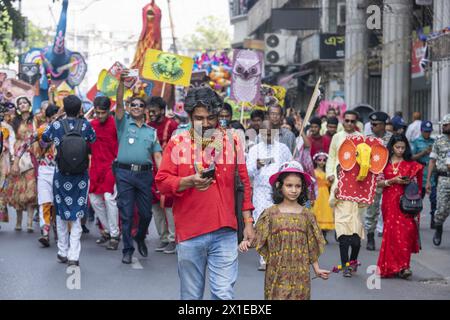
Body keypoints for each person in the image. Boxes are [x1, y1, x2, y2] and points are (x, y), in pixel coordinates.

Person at [155, 86, 255, 300]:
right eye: (200, 118)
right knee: (191, 297)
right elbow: (162, 182)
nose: (207, 123)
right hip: (190, 233)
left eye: (211, 117)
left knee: (223, 295)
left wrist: (248, 222)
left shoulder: (233, 140)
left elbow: (244, 182)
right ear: (190, 116)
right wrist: (187, 181)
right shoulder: (177, 143)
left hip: (226, 231)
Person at [241, 161, 329, 300]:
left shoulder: (307, 215)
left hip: (301, 277)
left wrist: (316, 269)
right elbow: (258, 238)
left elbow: (311, 245)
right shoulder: (270, 214)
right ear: (279, 186)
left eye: (298, 186)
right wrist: (246, 243)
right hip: (276, 275)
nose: (294, 190)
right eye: (289, 185)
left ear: (302, 188)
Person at [41, 95, 96, 266]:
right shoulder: (86, 125)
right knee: (77, 213)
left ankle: (62, 251)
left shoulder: (56, 125)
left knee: (61, 213)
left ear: (63, 108)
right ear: (80, 109)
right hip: (80, 176)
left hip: (61, 174)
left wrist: (57, 117)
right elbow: (92, 140)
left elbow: (44, 138)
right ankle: (74, 255)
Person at [115, 72, 163, 264]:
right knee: (126, 214)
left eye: (140, 105)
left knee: (146, 214)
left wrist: (163, 177)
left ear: (145, 110)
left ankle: (140, 236)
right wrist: (121, 83)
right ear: (129, 107)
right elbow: (118, 103)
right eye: (132, 105)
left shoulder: (152, 132)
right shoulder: (123, 123)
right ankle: (127, 249)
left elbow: (158, 155)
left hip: (145, 176)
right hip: (124, 173)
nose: (136, 107)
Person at [246, 121, 292, 270]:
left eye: (270, 131)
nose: (267, 135)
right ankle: (264, 258)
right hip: (261, 191)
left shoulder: (283, 149)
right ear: (260, 132)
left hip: (279, 191)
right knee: (262, 222)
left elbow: (291, 166)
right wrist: (257, 165)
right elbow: (247, 172)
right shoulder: (255, 150)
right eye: (264, 132)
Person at [376, 134, 422, 279]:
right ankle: (390, 267)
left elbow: (416, 184)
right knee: (391, 235)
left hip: (406, 203)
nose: (400, 150)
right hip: (389, 202)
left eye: (403, 147)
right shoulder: (384, 163)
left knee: (406, 233)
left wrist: (410, 181)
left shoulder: (410, 164)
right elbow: (378, 183)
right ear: (392, 147)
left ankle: (404, 267)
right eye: (397, 147)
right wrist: (393, 180)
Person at [326, 110, 364, 277]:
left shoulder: (361, 139)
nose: (349, 123)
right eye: (346, 121)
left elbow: (366, 163)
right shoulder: (337, 137)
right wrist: (330, 174)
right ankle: (345, 265)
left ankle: (353, 261)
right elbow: (332, 157)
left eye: (352, 121)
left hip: (356, 187)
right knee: (344, 236)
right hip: (340, 185)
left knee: (355, 238)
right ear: (343, 122)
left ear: (355, 123)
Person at [147, 96, 178, 254]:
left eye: (154, 110)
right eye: (149, 110)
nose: (151, 113)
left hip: (168, 171)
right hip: (150, 172)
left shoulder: (171, 124)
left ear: (161, 110)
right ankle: (163, 237)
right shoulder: (147, 126)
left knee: (168, 205)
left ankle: (173, 239)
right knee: (155, 206)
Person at [89, 96, 120, 250]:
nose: (99, 116)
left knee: (109, 198)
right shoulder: (91, 125)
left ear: (109, 111)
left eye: (102, 113)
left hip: (111, 167)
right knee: (94, 200)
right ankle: (107, 230)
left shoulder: (116, 125)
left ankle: (114, 235)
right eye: (97, 112)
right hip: (95, 167)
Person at [364, 111, 392, 251]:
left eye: (375, 124)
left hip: (389, 178)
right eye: (371, 124)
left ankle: (389, 237)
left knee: (389, 208)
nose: (372, 126)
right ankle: (370, 236)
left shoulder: (392, 139)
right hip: (373, 178)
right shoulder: (367, 139)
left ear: (383, 125)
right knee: (372, 209)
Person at [9, 97, 37, 233]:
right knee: (18, 188)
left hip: (32, 154)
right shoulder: (14, 121)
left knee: (31, 189)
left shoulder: (36, 119)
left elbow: (51, 112)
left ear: (30, 105)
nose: (22, 105)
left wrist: (51, 95)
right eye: (20, 104)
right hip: (18, 155)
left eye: (25, 102)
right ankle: (19, 221)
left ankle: (30, 222)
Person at [35, 104, 59, 247]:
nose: (57, 120)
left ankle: (56, 228)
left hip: (61, 170)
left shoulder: (66, 129)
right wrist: (16, 160)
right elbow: (27, 144)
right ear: (49, 118)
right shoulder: (42, 130)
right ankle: (45, 232)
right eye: (54, 117)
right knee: (45, 201)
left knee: (56, 203)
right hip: (44, 169)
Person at [426, 114, 450, 246]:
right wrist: (428, 181)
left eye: (446, 125)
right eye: (443, 125)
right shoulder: (439, 140)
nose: (443, 127)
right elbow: (432, 161)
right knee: (442, 209)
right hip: (443, 179)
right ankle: (439, 226)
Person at [411, 120, 437, 229]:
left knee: (434, 200)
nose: (427, 133)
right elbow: (411, 158)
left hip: (432, 176)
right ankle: (416, 220)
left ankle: (433, 220)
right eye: (425, 131)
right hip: (420, 175)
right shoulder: (416, 142)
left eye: (429, 131)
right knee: (418, 200)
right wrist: (424, 152)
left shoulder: (434, 142)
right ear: (421, 130)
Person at [312, 152, 334, 243]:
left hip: (325, 196)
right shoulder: (313, 172)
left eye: (324, 160)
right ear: (316, 161)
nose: (322, 162)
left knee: (325, 214)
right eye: (319, 160)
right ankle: (315, 235)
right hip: (316, 196)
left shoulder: (327, 173)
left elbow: (329, 184)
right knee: (315, 213)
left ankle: (323, 235)